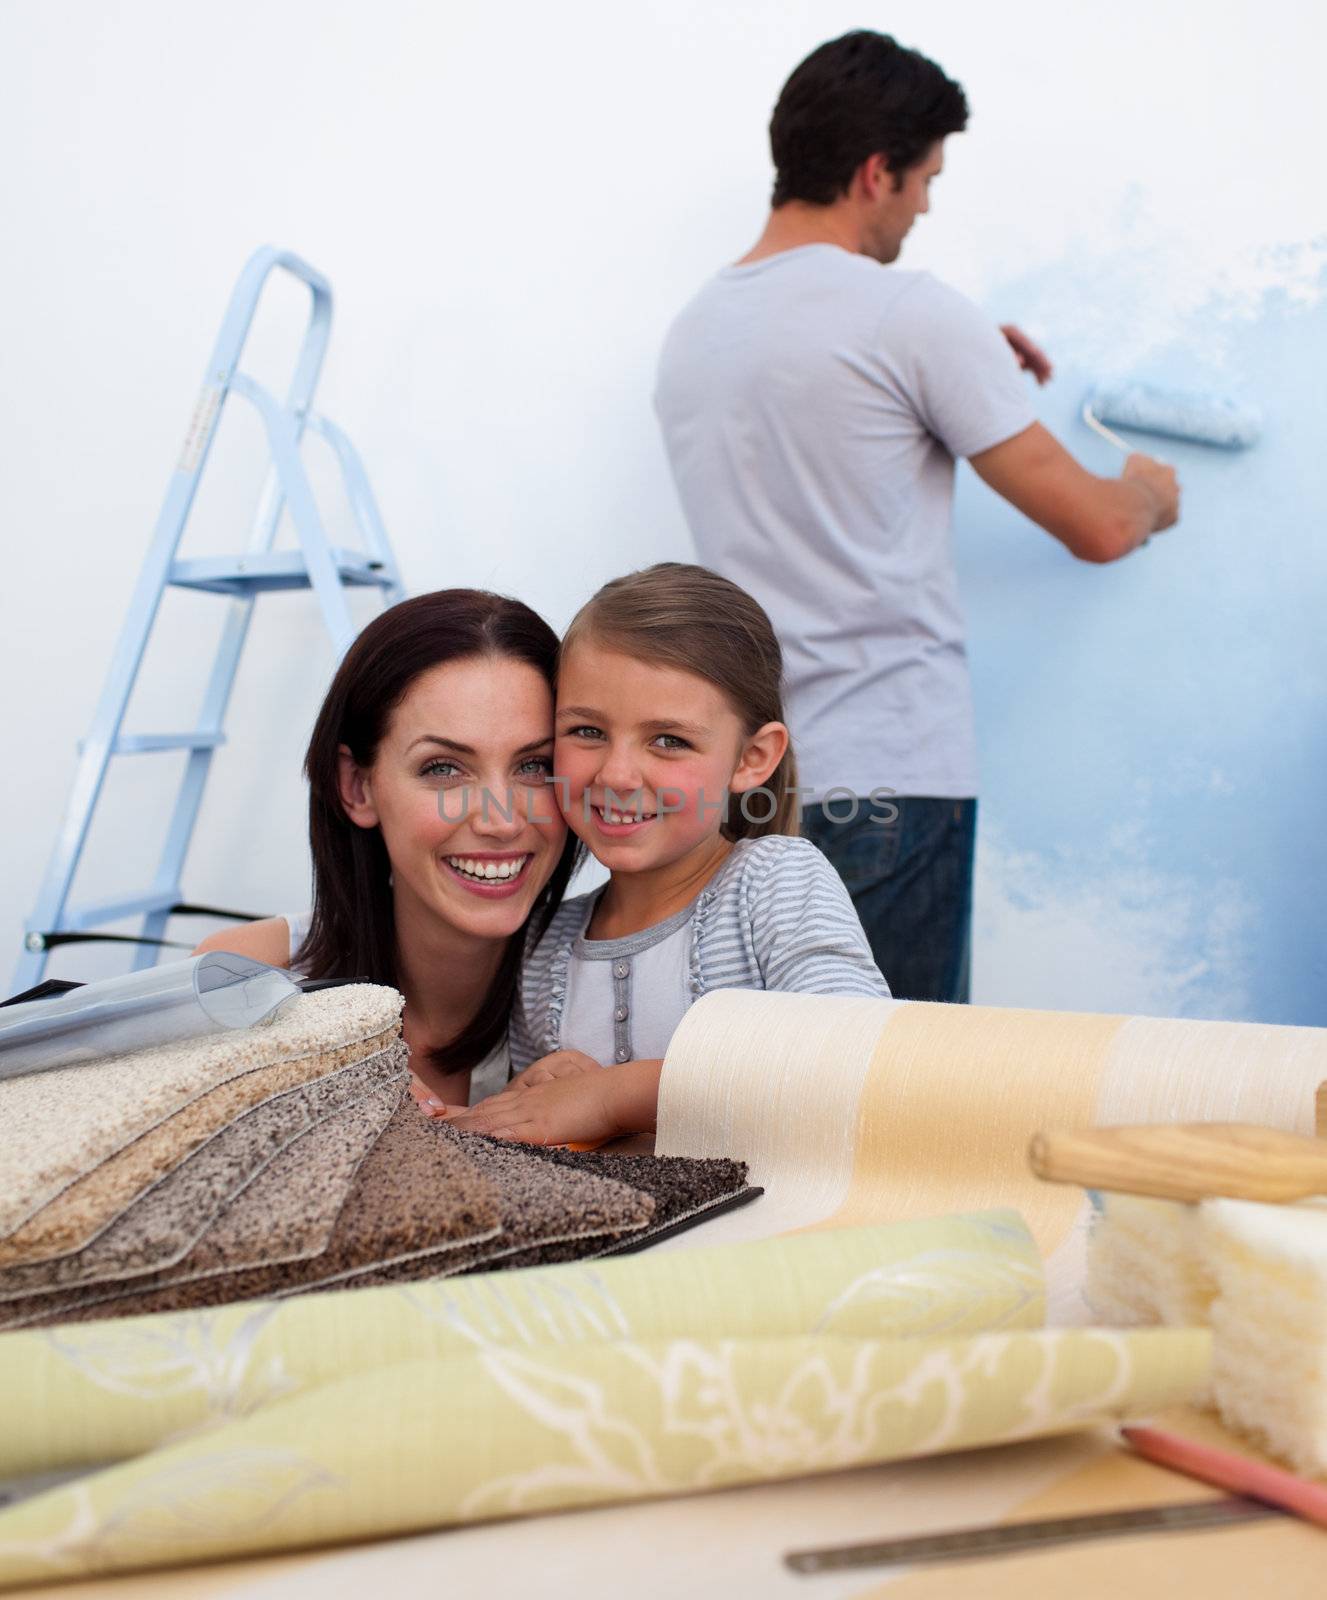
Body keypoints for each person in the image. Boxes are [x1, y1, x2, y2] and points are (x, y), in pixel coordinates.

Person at [653, 30, 1181, 1005]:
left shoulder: (696, 331)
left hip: (757, 785)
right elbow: (1098, 527)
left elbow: (830, 395)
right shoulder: (908, 315)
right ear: (873, 172)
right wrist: (1150, 488)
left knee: (769, 1088)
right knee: (893, 1103)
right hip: (889, 779)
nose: (926, 205)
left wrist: (959, 357)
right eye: (924, 180)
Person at [433, 562, 889, 1146]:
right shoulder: (546, 942)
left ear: (752, 758)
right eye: (587, 731)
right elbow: (547, 1128)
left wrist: (613, 1096)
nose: (618, 774)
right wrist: (536, 1091)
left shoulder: (776, 882)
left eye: (669, 741)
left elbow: (856, 1059)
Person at [195, 590, 581, 1108]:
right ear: (358, 786)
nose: (502, 821)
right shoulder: (240, 978)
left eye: (533, 766)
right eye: (443, 768)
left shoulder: (610, 992)